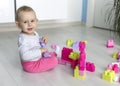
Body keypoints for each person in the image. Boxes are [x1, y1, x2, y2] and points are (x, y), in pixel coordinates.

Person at [15, 6, 58, 73]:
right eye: (25, 22)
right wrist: (40, 51)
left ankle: (47, 57)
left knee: (49, 54)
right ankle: (47, 60)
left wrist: (41, 39)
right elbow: (24, 56)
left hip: (37, 58)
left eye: (32, 21)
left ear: (36, 21)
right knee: (54, 61)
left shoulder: (34, 33)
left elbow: (35, 40)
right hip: (31, 64)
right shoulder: (23, 39)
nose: (29, 24)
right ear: (18, 24)